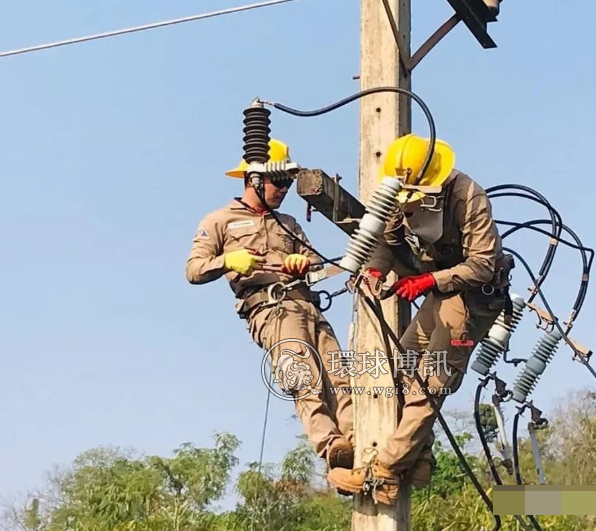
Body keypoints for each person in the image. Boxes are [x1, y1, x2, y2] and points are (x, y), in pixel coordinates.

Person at [327, 134, 513, 504]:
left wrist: (429, 280)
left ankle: (385, 469)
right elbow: (386, 240)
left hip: (475, 295)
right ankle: (419, 457)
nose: (407, 206)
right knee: (402, 366)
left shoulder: (466, 196)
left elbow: (483, 264)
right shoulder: (398, 190)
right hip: (441, 292)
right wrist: (377, 271)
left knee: (431, 382)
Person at [185, 139, 354, 470]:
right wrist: (228, 260)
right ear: (255, 180)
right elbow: (193, 270)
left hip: (307, 306)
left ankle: (357, 442)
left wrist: (303, 263)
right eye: (279, 181)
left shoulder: (288, 223)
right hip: (270, 309)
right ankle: (331, 445)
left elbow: (315, 263)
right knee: (302, 376)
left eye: (288, 182)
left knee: (342, 378)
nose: (285, 189)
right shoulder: (219, 221)